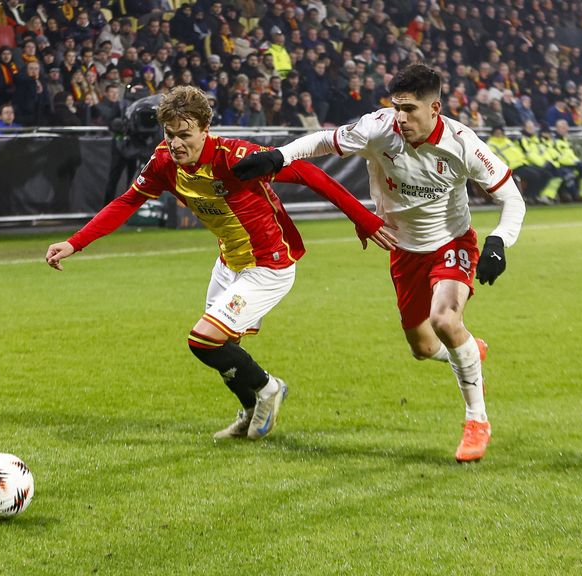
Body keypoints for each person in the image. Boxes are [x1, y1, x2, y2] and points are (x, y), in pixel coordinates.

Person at [45, 85, 396, 441]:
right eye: (170, 134)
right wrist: (75, 243)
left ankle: (270, 388)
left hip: (268, 264)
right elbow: (127, 201)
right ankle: (250, 410)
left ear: (205, 130)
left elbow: (309, 173)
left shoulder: (235, 157)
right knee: (223, 349)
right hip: (229, 262)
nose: (176, 143)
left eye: (185, 135)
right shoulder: (164, 161)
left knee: (203, 340)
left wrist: (363, 219)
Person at [232, 65, 526, 462]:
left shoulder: (462, 143)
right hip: (403, 250)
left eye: (410, 109)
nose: (400, 117)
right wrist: (277, 157)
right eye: (397, 107)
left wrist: (497, 241)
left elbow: (512, 198)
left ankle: (477, 420)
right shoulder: (378, 128)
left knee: (444, 321)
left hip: (451, 242)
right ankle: (469, 352)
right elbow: (323, 140)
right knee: (423, 347)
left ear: (435, 108)